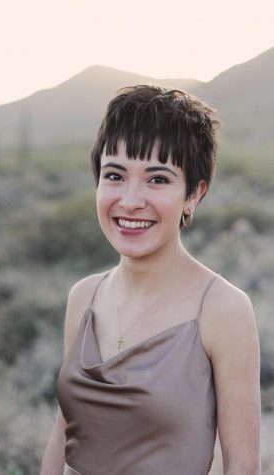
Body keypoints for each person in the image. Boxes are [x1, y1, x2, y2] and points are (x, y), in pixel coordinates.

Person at [40, 86, 261, 475]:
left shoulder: (223, 310)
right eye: (115, 175)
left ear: (193, 194)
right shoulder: (83, 297)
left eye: (157, 180)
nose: (130, 200)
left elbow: (242, 466)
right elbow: (63, 435)